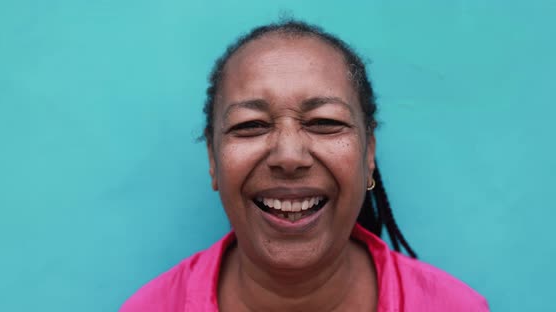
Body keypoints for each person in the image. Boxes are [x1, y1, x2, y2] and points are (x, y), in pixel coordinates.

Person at [120, 20, 489, 311]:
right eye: (250, 126)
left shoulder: (455, 307)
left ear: (369, 152)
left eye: (325, 122)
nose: (289, 157)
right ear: (213, 161)